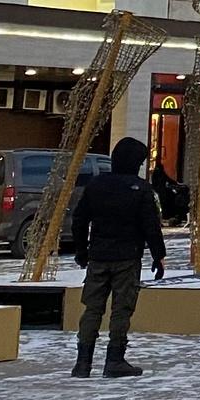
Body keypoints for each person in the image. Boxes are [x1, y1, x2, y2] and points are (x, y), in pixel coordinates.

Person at [70, 135, 165, 379]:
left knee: (92, 309)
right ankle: (114, 359)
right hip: (127, 258)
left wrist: (82, 252)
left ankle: (83, 362)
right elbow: (150, 226)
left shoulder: (96, 185)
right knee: (121, 310)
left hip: (98, 257)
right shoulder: (141, 189)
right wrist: (158, 256)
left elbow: (80, 221)